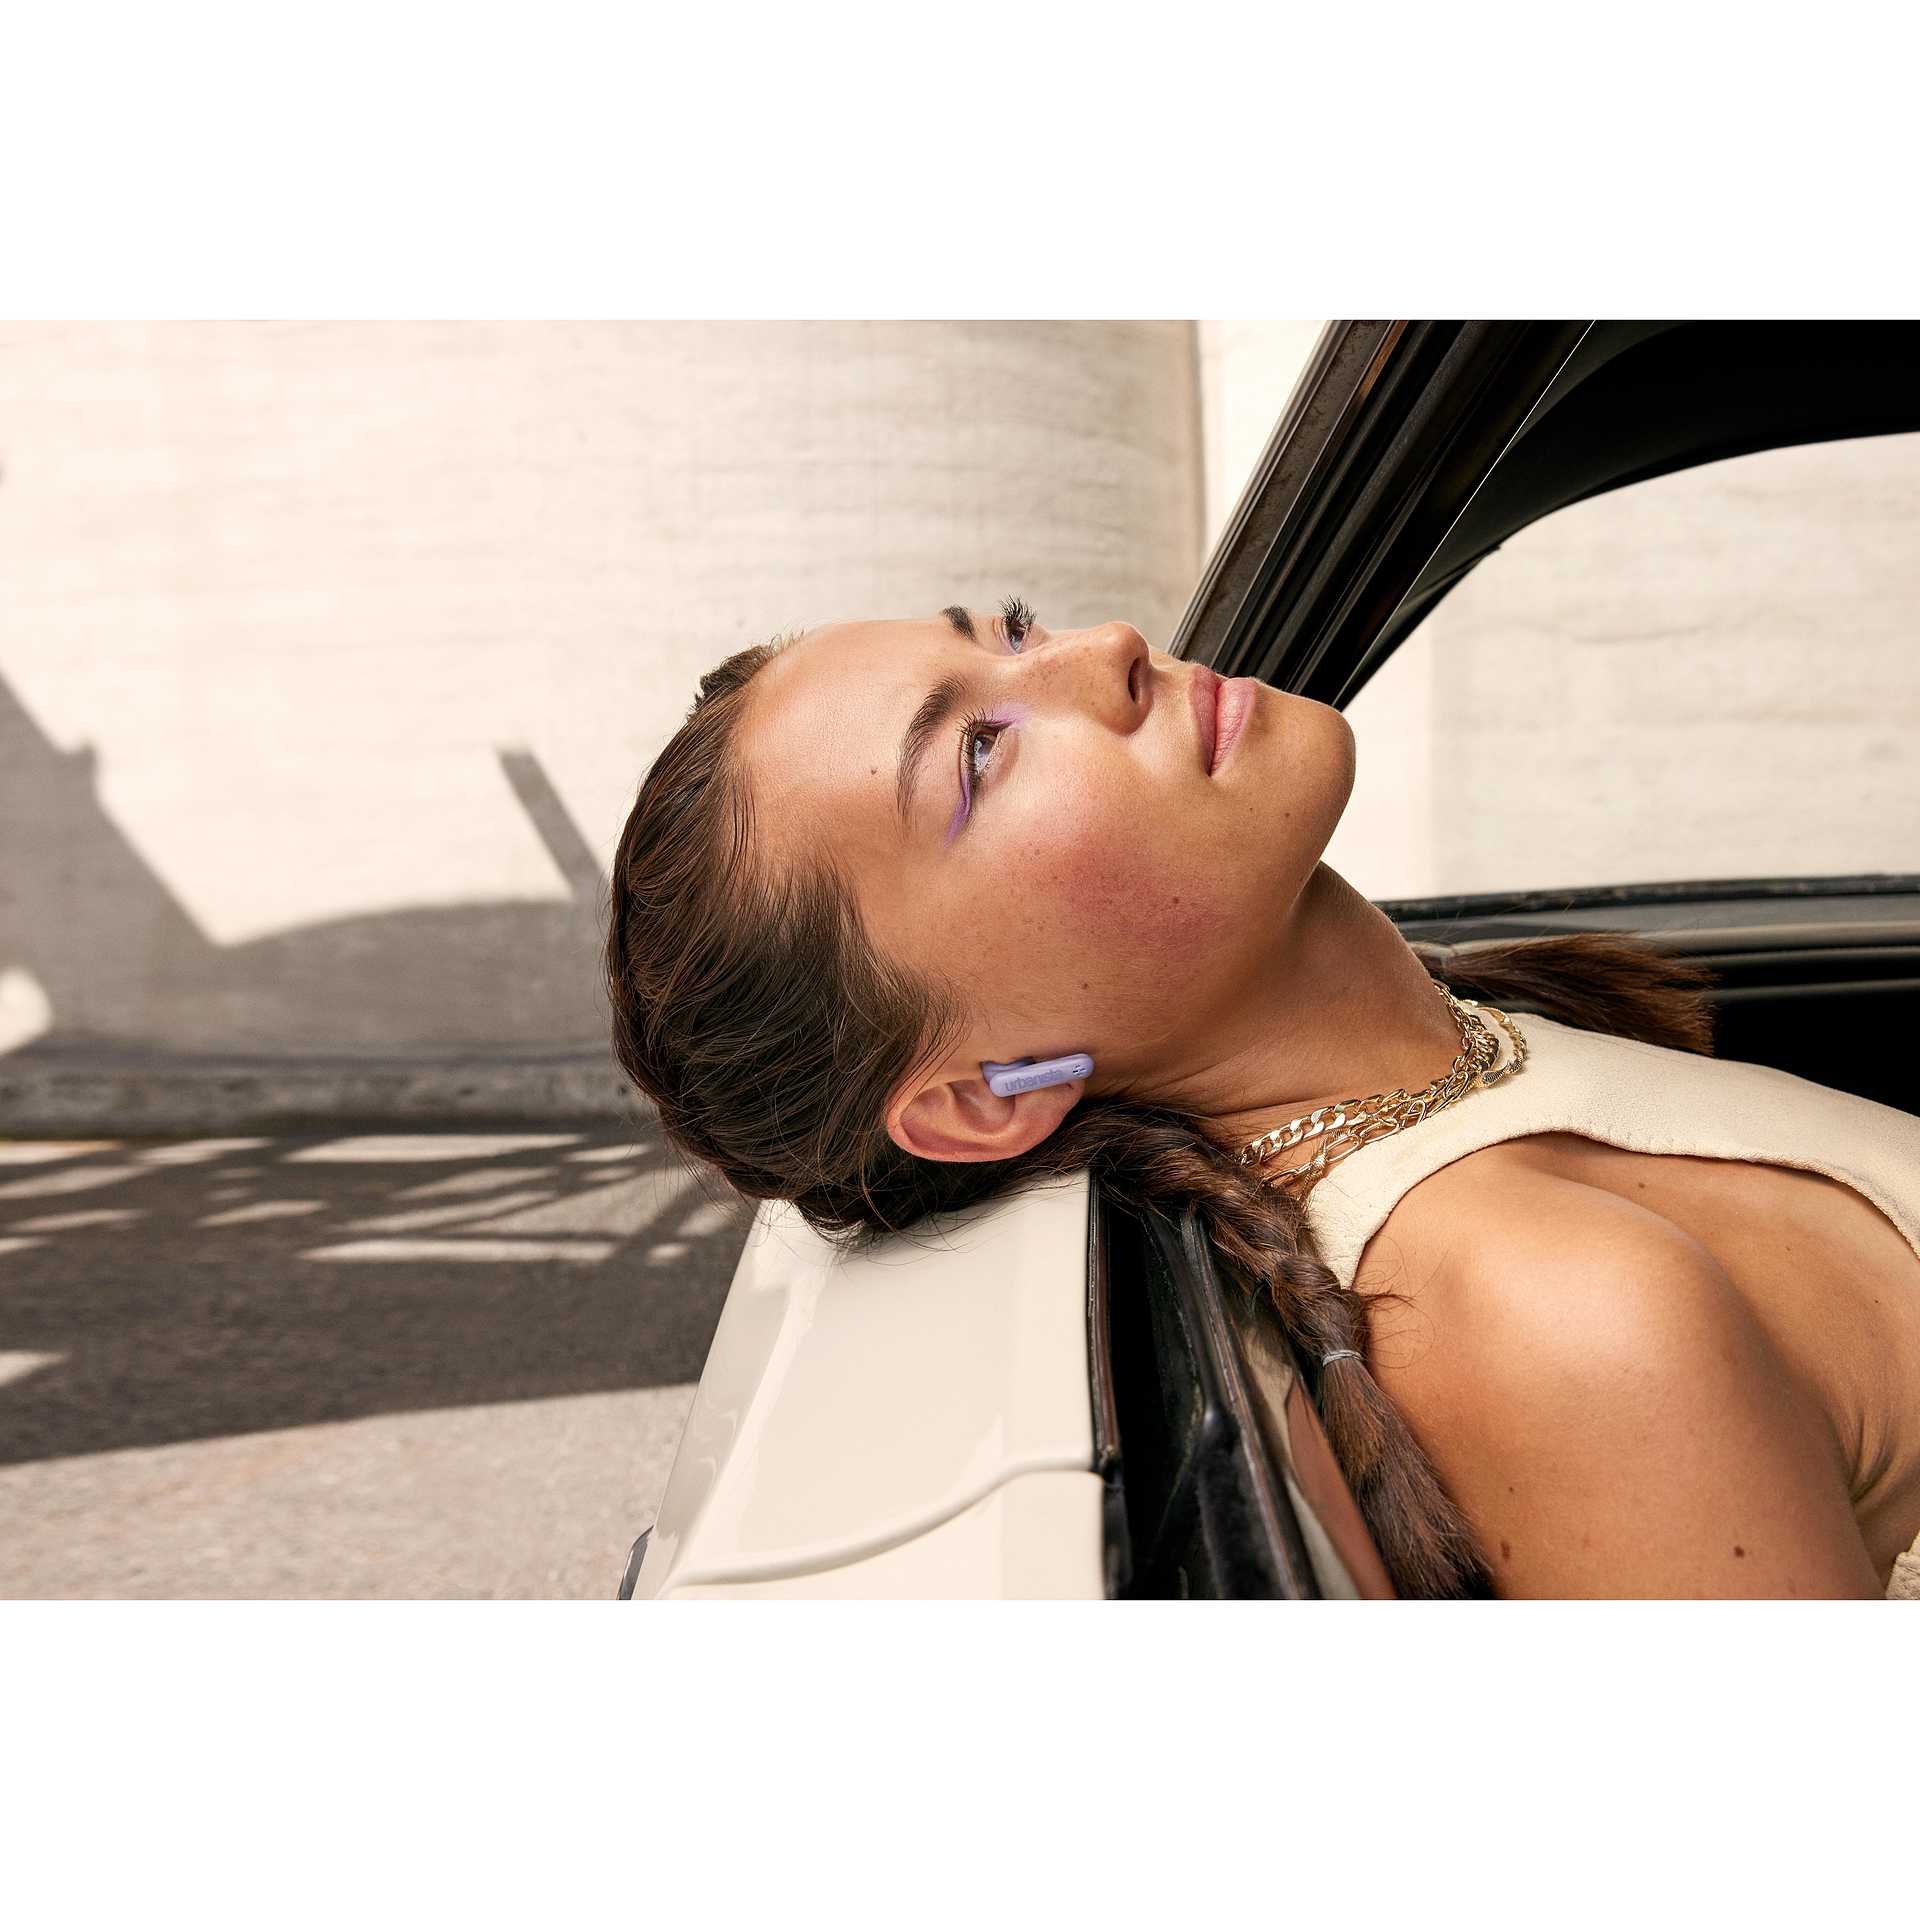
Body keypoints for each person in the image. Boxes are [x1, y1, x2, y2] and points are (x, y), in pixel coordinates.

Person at [604, 601, 1920, 1598]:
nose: (1111, 646)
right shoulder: (1556, 1316)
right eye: (980, 754)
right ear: (980, 1099)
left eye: (1012, 629)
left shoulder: (1472, 1060)